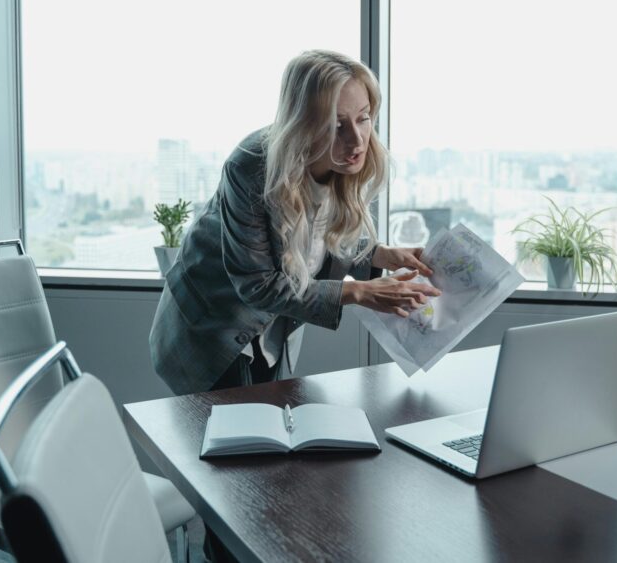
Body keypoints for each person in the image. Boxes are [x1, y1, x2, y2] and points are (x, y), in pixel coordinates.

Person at [149, 49, 441, 397]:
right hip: (212, 332)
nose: (357, 140)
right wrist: (360, 292)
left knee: (271, 433)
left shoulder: (343, 163)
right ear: (304, 123)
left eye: (363, 118)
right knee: (230, 443)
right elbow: (258, 284)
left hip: (271, 331)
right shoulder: (252, 167)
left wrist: (379, 255)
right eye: (336, 125)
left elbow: (315, 241)